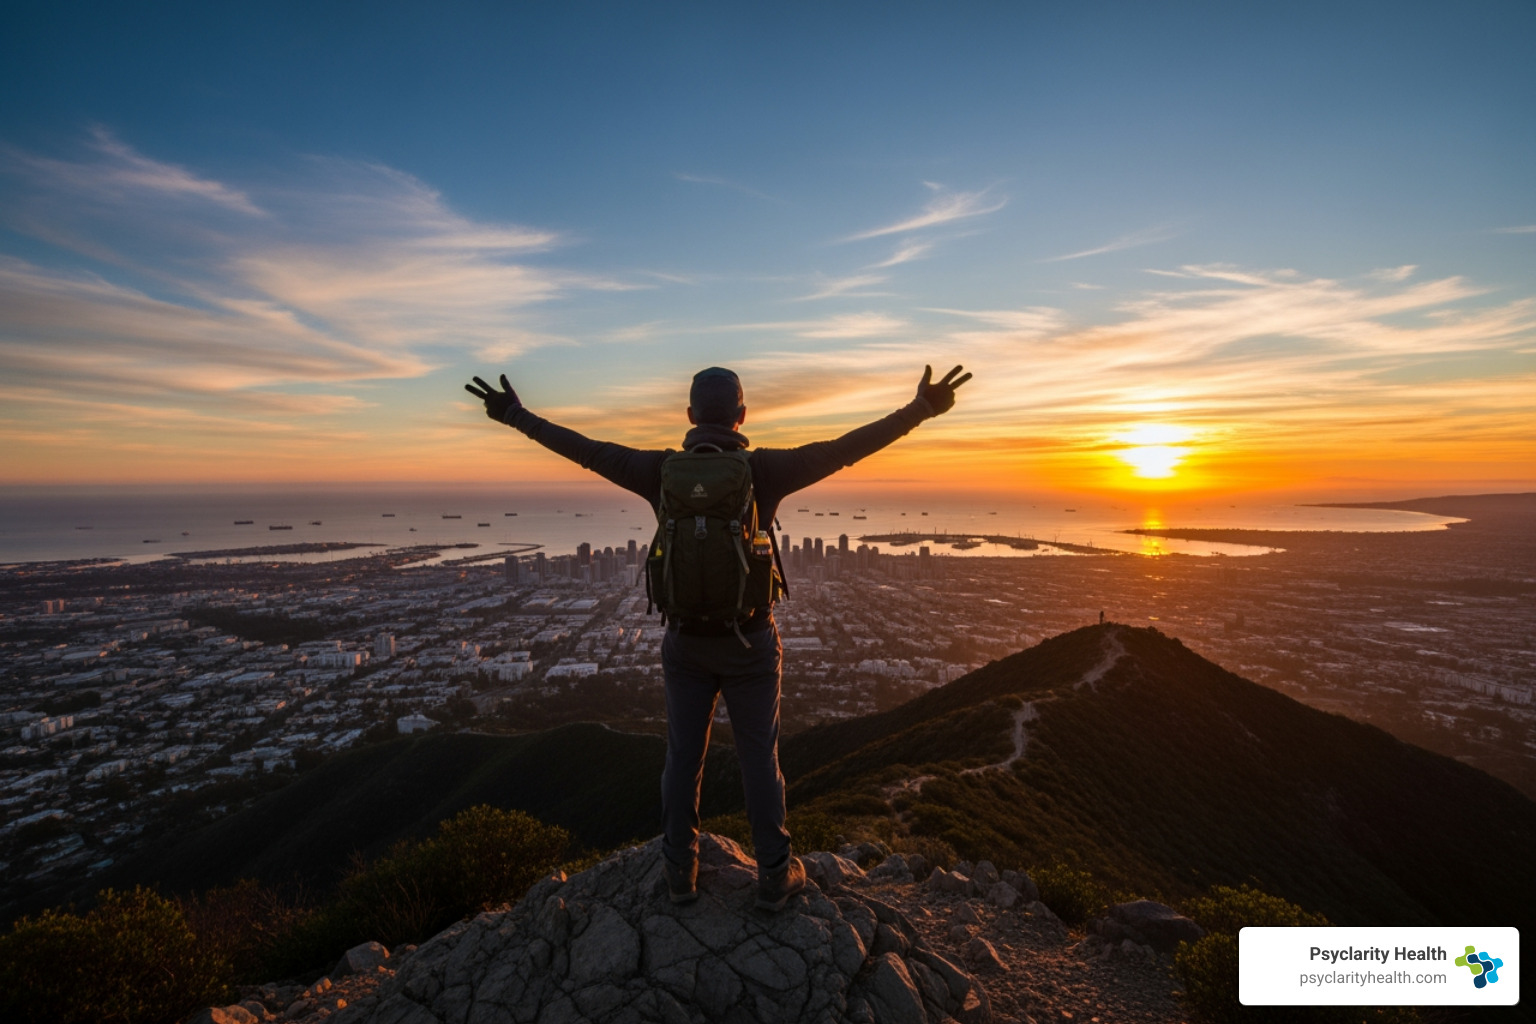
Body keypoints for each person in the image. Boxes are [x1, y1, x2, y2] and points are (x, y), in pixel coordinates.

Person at [465, 364, 971, 910]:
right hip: (750, 641)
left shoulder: (658, 470)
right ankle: (774, 874)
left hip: (685, 643)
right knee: (759, 759)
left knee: (683, 759)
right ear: (742, 416)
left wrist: (515, 415)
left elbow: (585, 450)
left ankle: (679, 872)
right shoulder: (764, 471)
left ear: (689, 416)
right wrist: (921, 409)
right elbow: (845, 449)